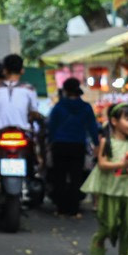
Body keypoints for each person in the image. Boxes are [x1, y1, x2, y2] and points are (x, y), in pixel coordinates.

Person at [80, 103, 128, 255]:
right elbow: (102, 164)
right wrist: (122, 165)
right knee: (110, 224)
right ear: (114, 121)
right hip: (110, 189)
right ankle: (100, 238)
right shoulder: (106, 142)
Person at [47, 78, 99, 218]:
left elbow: (51, 127)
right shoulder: (86, 107)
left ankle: (60, 208)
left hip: (60, 145)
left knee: (60, 176)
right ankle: (74, 209)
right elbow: (92, 128)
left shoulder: (58, 107)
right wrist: (97, 145)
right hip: (78, 146)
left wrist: (49, 142)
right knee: (76, 176)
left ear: (65, 90)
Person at [0, 54, 40, 133]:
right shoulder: (30, 89)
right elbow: (34, 111)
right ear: (22, 70)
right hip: (22, 130)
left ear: (4, 71)